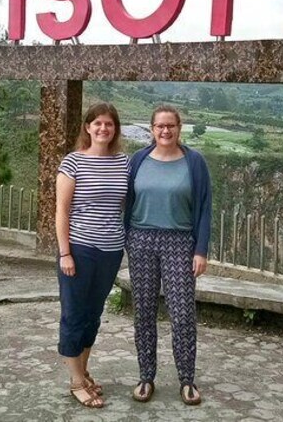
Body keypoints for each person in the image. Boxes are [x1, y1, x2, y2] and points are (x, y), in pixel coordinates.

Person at [124, 104, 212, 406]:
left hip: (180, 242)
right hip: (141, 239)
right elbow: (125, 201)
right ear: (151, 129)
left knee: (183, 313)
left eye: (170, 126)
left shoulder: (194, 163)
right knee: (144, 312)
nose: (165, 131)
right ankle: (146, 376)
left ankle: (187, 380)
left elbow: (204, 208)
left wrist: (200, 249)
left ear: (179, 128)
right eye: (159, 126)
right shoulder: (137, 160)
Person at [56, 102, 129, 409]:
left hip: (112, 250)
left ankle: (84, 371)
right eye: (97, 123)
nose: (103, 128)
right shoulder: (73, 162)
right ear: (87, 127)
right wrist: (65, 253)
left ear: (115, 129)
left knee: (94, 314)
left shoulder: (123, 162)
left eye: (108, 124)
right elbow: (62, 210)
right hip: (80, 249)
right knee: (74, 313)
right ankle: (75, 381)